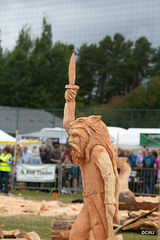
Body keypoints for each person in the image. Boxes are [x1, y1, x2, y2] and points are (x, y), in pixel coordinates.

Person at [63, 86, 120, 240]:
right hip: (88, 199)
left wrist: (109, 201)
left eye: (75, 137)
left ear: (87, 135)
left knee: (100, 234)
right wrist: (70, 102)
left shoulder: (98, 151)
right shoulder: (82, 150)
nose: (71, 141)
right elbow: (69, 124)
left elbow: (110, 177)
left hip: (100, 200)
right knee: (76, 234)